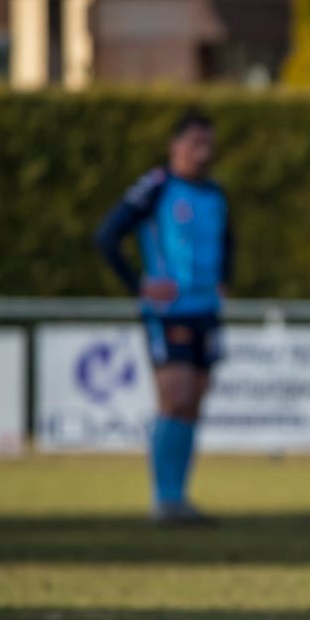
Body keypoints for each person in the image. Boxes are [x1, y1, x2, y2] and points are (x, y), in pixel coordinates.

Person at [95, 109, 233, 525]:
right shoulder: (156, 187)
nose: (202, 151)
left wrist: (224, 280)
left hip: (206, 311)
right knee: (175, 396)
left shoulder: (215, 193)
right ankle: (163, 499)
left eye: (208, 143)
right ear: (175, 145)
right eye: (195, 143)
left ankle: (178, 498)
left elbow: (227, 241)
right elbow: (107, 236)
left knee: (193, 401)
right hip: (169, 311)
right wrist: (139, 284)